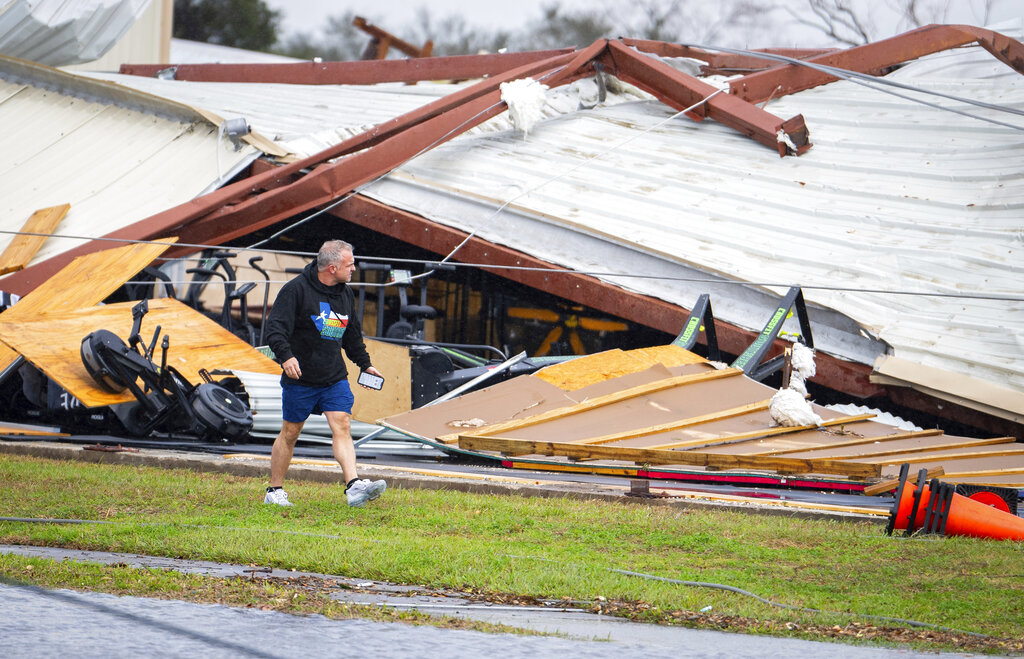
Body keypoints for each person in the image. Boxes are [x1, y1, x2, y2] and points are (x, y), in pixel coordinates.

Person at [263, 239, 386, 508]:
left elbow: (351, 335)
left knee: (342, 423)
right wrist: (286, 356)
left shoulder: (345, 293)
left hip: (333, 377)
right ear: (332, 268)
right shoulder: (295, 290)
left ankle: (353, 486)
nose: (354, 268)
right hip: (301, 378)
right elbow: (275, 329)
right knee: (290, 433)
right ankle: (274, 490)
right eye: (349, 264)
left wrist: (365, 364)